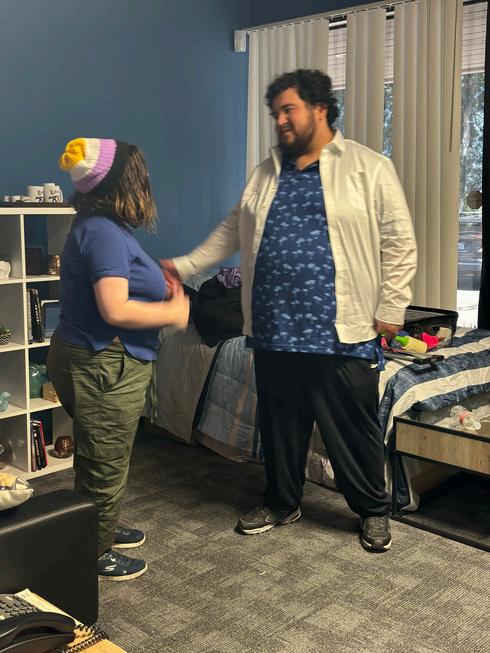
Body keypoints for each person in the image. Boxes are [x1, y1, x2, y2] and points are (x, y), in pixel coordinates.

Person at [162, 69, 417, 552]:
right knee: (280, 422)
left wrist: (392, 305)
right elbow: (232, 229)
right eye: (275, 112)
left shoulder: (368, 167)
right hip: (275, 325)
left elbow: (400, 242)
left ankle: (372, 509)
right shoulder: (267, 172)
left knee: (352, 425)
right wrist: (183, 265)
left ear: (320, 109)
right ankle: (282, 501)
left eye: (288, 109)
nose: (279, 120)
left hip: (340, 327)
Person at [47, 138, 189, 580]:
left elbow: (115, 282)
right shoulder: (104, 232)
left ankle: (96, 525)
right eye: (141, 175)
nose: (147, 183)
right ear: (123, 183)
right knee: (104, 462)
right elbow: (115, 309)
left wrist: (154, 276)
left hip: (96, 359)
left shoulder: (101, 228)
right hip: (104, 364)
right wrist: (173, 313)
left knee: (100, 455)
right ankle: (92, 551)